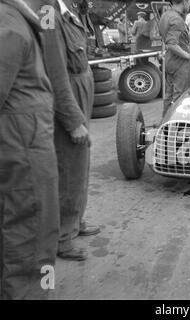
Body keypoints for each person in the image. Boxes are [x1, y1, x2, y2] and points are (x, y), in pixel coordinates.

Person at [0, 0, 59, 299]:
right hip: (23, 151)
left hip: (27, 144)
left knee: (32, 230)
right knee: (31, 234)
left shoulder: (20, 21)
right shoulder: (9, 24)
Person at [45, 0, 100, 261]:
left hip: (81, 86)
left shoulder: (73, 12)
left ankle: (76, 221)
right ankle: (62, 238)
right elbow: (55, 73)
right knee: (69, 168)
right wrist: (72, 119)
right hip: (69, 93)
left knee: (81, 163)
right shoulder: (48, 13)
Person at [159, 0, 190, 117]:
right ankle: (177, 125)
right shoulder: (177, 20)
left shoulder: (165, 16)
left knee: (169, 96)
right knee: (181, 98)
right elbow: (171, 43)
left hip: (170, 61)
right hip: (180, 63)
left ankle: (165, 122)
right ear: (185, 1)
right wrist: (189, 55)